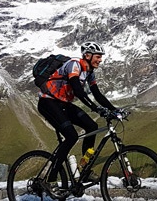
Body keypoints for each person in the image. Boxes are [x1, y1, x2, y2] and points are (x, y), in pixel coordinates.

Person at [37, 41, 119, 189]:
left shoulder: (89, 72)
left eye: (101, 57)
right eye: (98, 57)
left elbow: (97, 94)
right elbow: (78, 91)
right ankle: (50, 178)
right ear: (87, 55)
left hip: (63, 104)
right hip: (48, 102)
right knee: (71, 136)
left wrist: (114, 110)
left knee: (92, 127)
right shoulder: (74, 64)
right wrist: (95, 108)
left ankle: (84, 168)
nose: (100, 60)